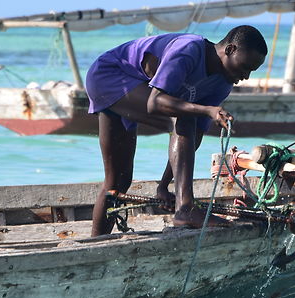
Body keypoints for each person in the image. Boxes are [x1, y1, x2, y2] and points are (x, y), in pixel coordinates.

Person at [86, 25, 267, 236]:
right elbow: (155, 103)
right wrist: (207, 110)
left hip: (135, 88)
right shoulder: (189, 50)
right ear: (230, 50)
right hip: (108, 76)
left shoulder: (221, 84)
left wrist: (164, 186)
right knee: (184, 118)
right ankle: (186, 208)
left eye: (251, 71)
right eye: (244, 66)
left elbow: (192, 138)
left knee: (119, 181)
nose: (245, 76)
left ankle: (96, 242)